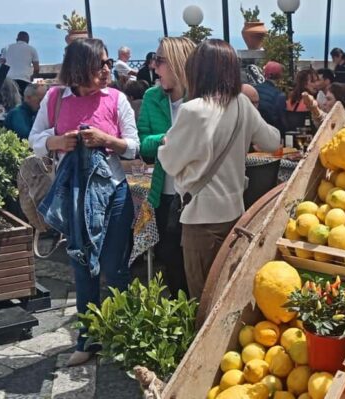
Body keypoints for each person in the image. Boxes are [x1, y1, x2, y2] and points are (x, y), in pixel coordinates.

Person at [28, 38, 139, 366]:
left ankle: (126, 335)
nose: (107, 70)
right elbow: (35, 140)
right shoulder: (55, 99)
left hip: (113, 193)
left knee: (113, 267)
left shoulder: (116, 99)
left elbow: (132, 146)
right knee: (81, 265)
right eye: (99, 65)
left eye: (107, 63)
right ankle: (88, 339)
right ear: (79, 69)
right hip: (76, 195)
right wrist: (58, 141)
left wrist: (106, 140)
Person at [158, 39, 280, 298]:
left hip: (200, 218)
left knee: (203, 297)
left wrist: (168, 143)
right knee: (229, 294)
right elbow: (272, 141)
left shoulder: (193, 111)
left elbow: (169, 162)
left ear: (198, 72)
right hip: (236, 215)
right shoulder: (242, 104)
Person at [137, 37, 195, 297]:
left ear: (177, 63)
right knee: (170, 257)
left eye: (159, 61)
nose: (154, 67)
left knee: (195, 261)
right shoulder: (152, 97)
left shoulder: (201, 100)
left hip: (196, 193)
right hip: (165, 193)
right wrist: (165, 139)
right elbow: (142, 144)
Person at [1, 32, 40, 96]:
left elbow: (1, 64)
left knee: (9, 101)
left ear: (17, 39)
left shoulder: (7, 48)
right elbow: (36, 68)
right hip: (24, 80)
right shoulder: (32, 49)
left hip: (9, 80)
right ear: (28, 40)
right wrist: (32, 78)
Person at [254, 61, 287, 135]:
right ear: (280, 76)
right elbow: (281, 120)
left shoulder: (254, 89)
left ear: (264, 74)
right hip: (270, 132)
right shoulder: (279, 95)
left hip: (254, 131)